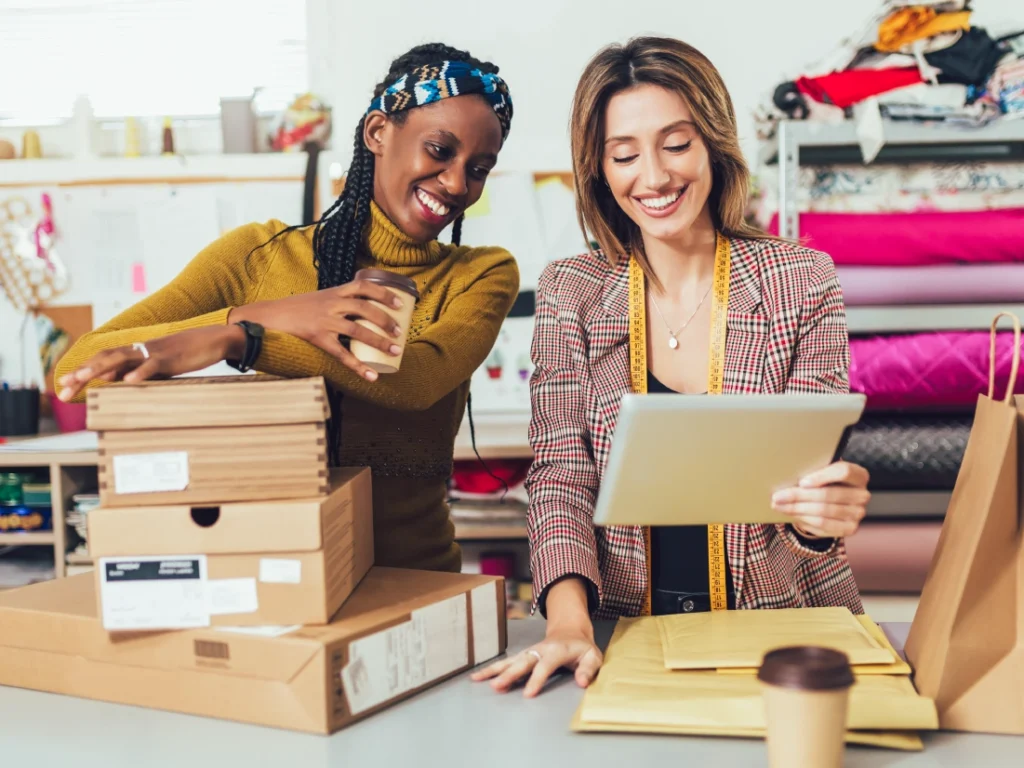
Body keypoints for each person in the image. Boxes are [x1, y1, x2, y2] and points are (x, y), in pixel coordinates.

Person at [472, 36, 870, 697]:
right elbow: (560, 478)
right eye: (623, 154)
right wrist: (569, 622)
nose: (652, 177)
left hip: (785, 630)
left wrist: (819, 516)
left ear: (713, 142)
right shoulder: (571, 289)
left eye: (676, 144)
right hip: (624, 633)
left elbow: (806, 482)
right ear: (598, 169)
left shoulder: (801, 279)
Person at [54, 43, 519, 574]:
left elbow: (414, 379)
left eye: (479, 168)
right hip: (276, 577)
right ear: (377, 133)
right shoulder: (258, 257)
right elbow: (76, 370)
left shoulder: (481, 273)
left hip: (414, 581)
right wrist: (256, 317)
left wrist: (246, 341)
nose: (458, 183)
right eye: (439, 150)